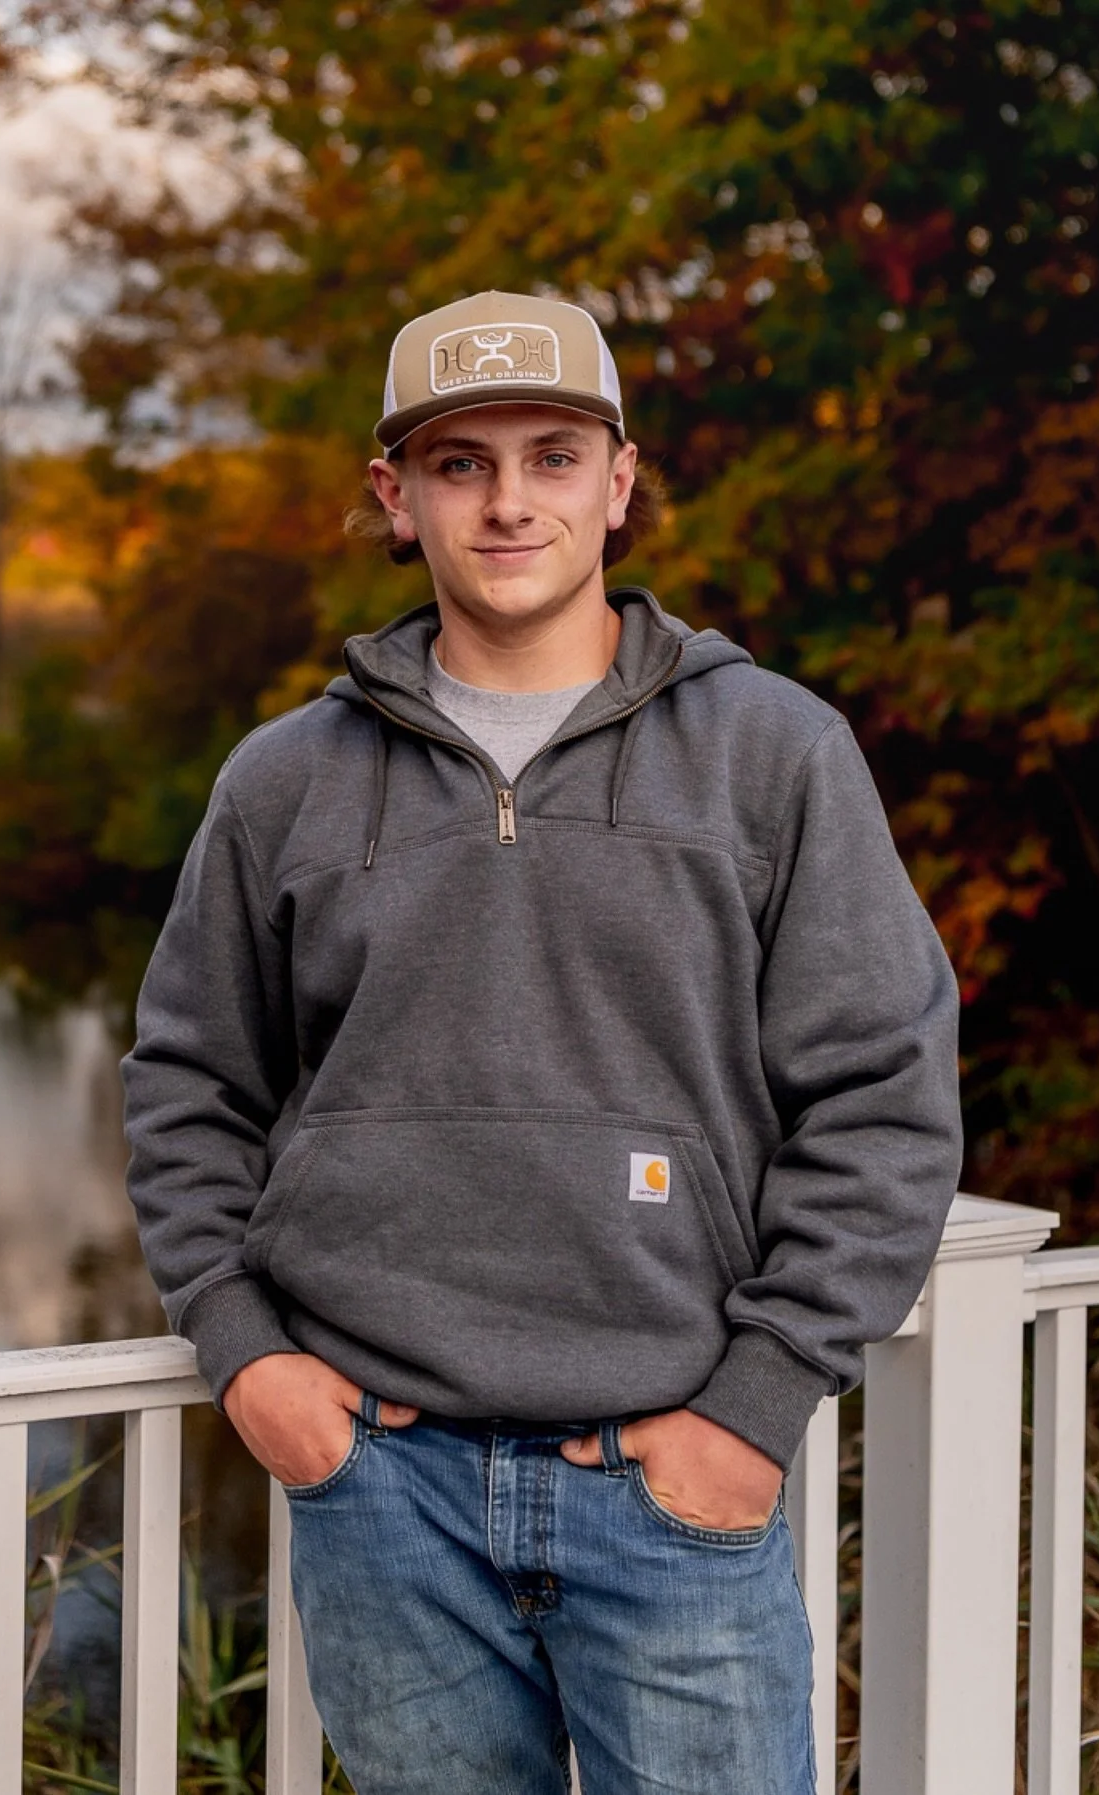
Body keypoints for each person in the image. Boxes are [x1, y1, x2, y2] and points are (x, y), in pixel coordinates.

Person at [120, 289, 965, 1794]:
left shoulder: (772, 752)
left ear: (618, 483)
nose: (510, 501)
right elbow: (189, 1084)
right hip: (381, 1484)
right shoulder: (286, 779)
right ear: (397, 497)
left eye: (553, 456)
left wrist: (755, 1406)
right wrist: (246, 1356)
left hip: (675, 1481)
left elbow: (885, 1098)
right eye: (461, 463)